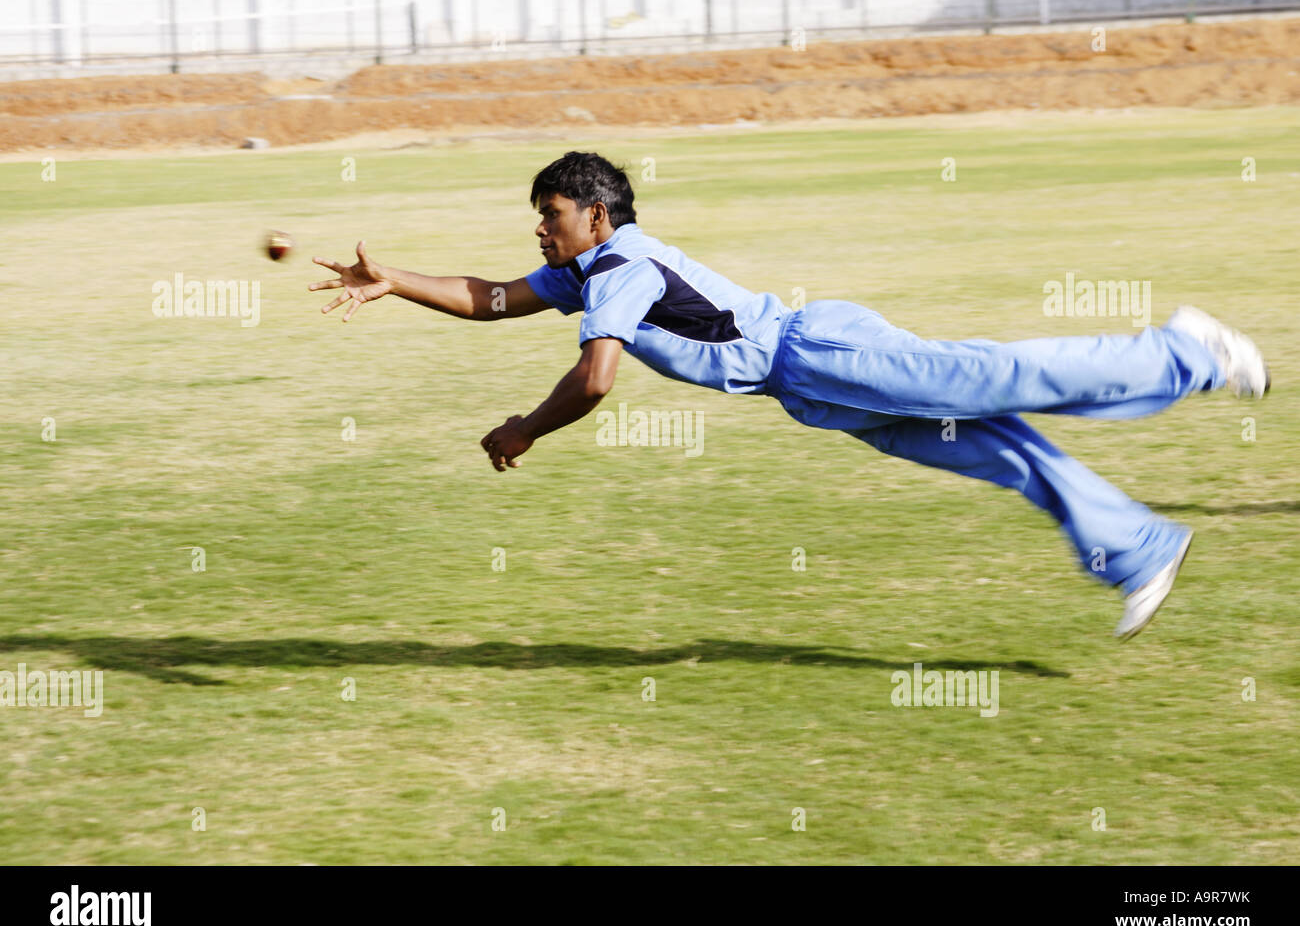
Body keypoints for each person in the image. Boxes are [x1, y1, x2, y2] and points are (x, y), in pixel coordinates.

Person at [309, 151, 1270, 641]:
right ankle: (1135, 544)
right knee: (994, 443)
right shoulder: (587, 272)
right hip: (807, 387)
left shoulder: (623, 267)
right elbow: (495, 300)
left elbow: (595, 378)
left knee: (999, 381)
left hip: (820, 351)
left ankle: (1180, 352)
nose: (539, 233)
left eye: (550, 217)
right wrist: (396, 281)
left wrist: (525, 427)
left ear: (595, 214)